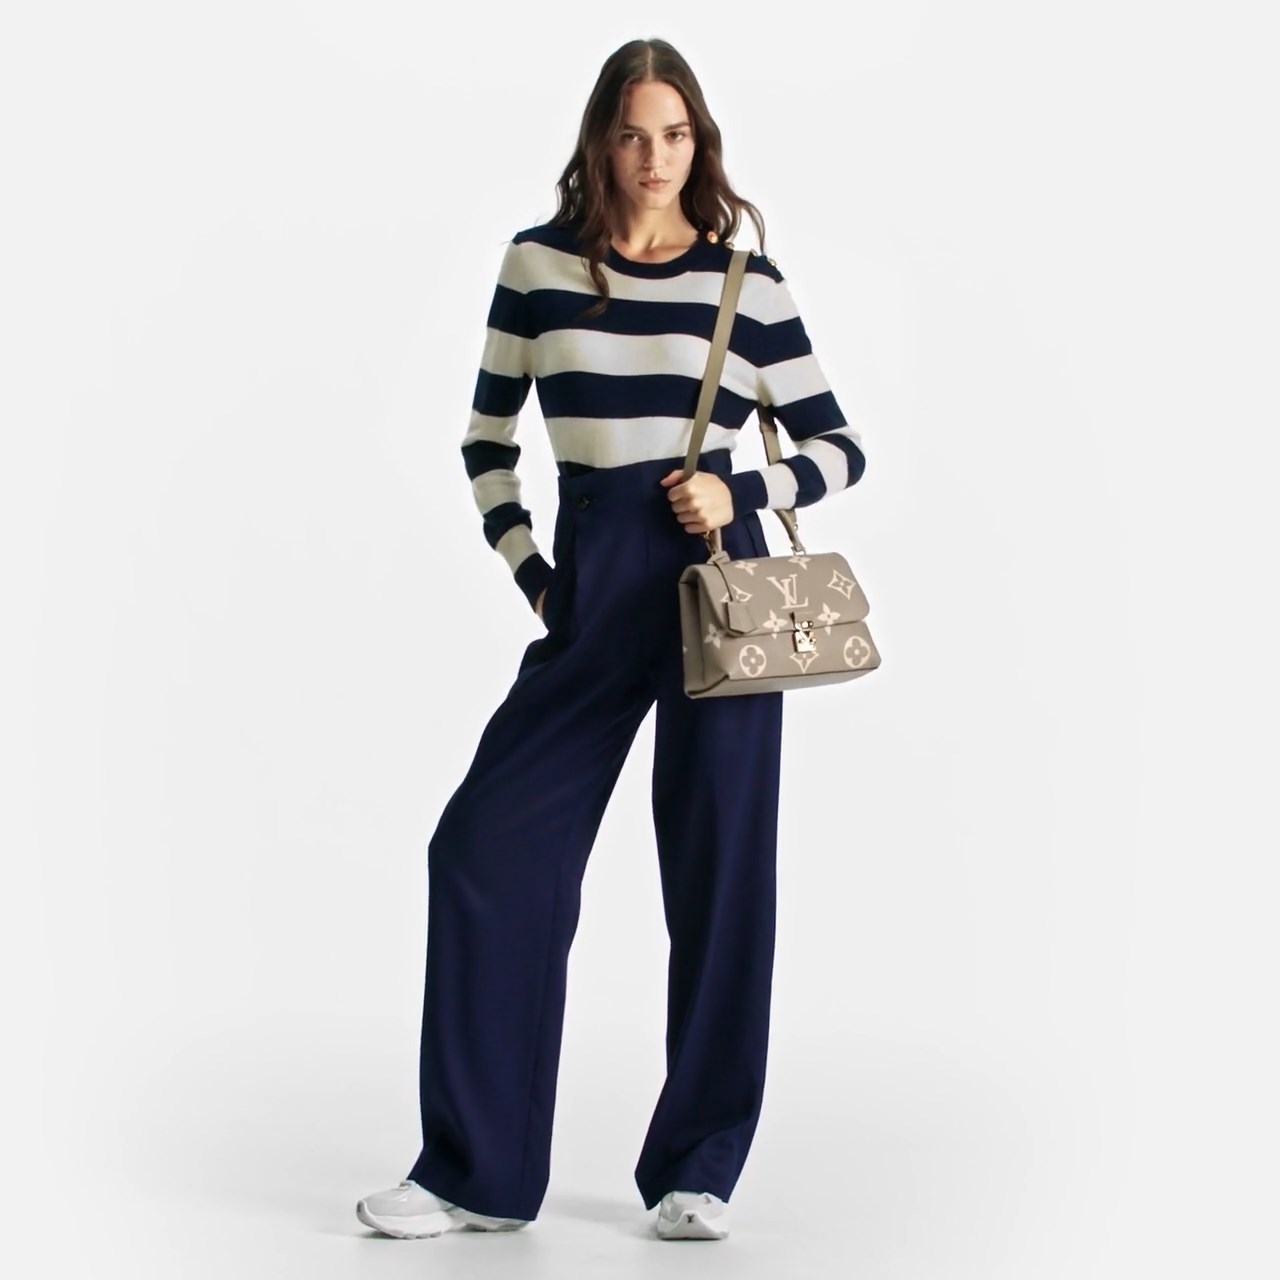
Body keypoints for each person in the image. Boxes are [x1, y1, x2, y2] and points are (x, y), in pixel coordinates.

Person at [355, 36, 866, 1243]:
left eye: (674, 134)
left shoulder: (745, 281)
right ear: (600, 140)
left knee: (720, 870)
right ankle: (475, 1171)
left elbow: (840, 446)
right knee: (483, 848)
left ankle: (698, 1167)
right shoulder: (536, 267)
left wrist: (742, 489)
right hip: (592, 579)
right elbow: (486, 442)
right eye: (632, 134)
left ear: (700, 141)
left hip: (716, 586)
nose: (653, 157)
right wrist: (538, 577)